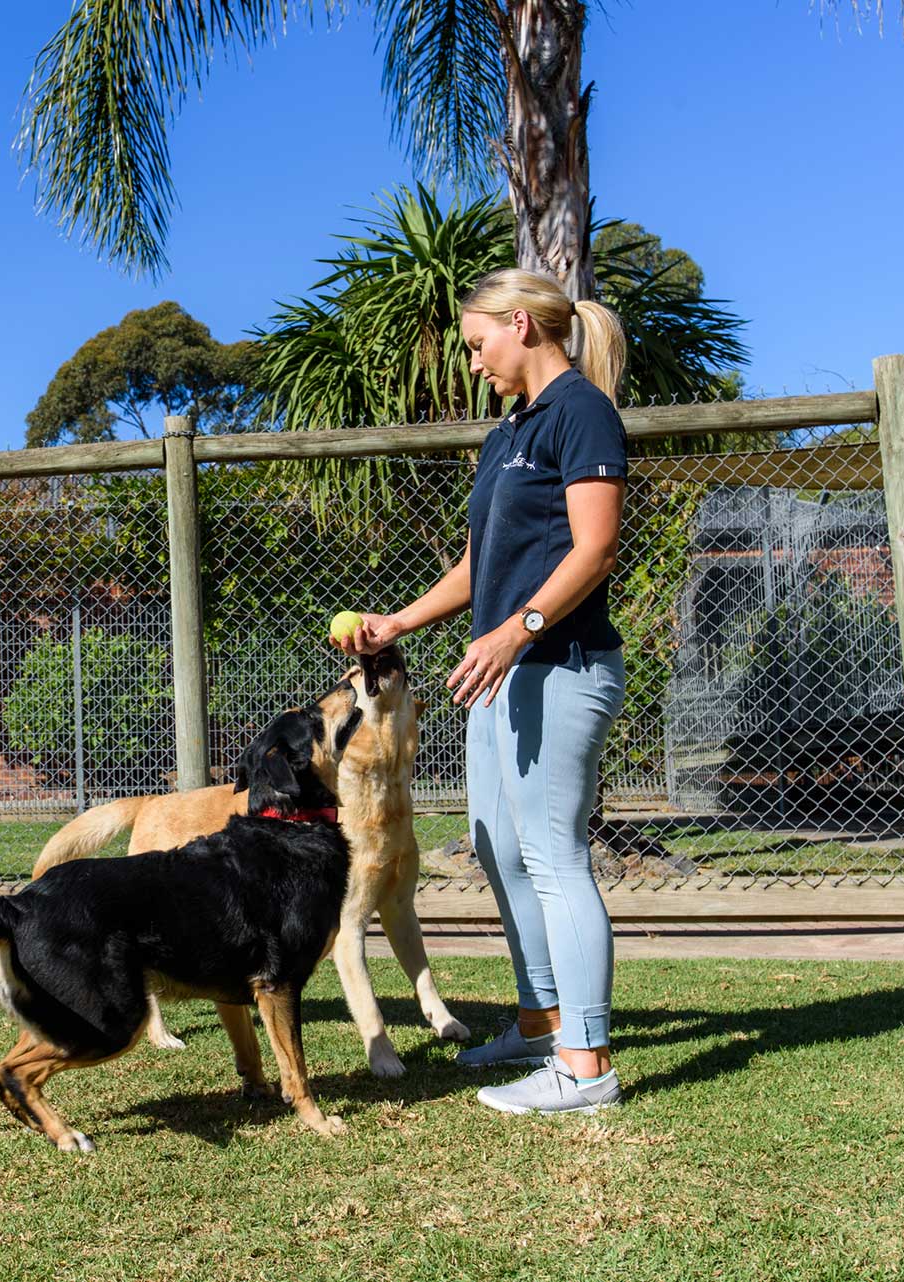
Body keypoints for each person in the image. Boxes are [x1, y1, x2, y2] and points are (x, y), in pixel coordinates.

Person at [332, 267, 630, 1115]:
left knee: (553, 855)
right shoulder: (509, 432)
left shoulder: (581, 411)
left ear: (522, 325)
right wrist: (399, 622)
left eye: (476, 345)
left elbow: (594, 549)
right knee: (498, 848)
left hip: (560, 666)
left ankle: (586, 1064)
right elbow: (481, 563)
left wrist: (516, 632)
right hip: (498, 673)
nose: (472, 363)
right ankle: (541, 1024)